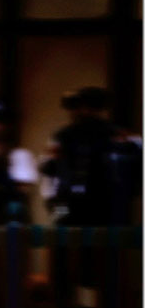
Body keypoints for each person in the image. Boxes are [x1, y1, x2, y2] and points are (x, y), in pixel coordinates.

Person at [41, 87, 141, 227]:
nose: (83, 111)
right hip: (66, 202)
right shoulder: (62, 136)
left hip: (105, 204)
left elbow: (134, 169)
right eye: (77, 106)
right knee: (63, 239)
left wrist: (123, 202)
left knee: (104, 243)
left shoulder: (116, 135)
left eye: (89, 106)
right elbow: (49, 172)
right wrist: (54, 204)